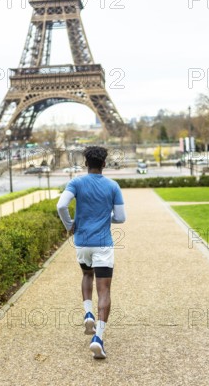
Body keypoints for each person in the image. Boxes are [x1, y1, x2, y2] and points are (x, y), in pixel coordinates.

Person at [57, 146, 126, 360]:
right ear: (104, 164)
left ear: (86, 163)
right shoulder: (113, 186)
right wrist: (106, 218)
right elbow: (121, 218)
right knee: (104, 291)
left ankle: (88, 313)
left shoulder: (76, 182)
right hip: (103, 244)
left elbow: (61, 206)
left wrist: (70, 224)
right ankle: (98, 338)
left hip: (82, 243)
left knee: (86, 275)